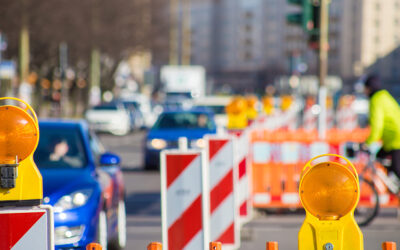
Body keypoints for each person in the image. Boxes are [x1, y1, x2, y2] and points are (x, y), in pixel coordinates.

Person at [363, 75, 400, 187]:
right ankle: (395, 187)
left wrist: (367, 143)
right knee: (380, 157)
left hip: (395, 139)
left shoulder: (375, 100)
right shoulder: (385, 96)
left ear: (369, 88)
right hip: (392, 139)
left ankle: (396, 188)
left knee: (397, 168)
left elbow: (377, 126)